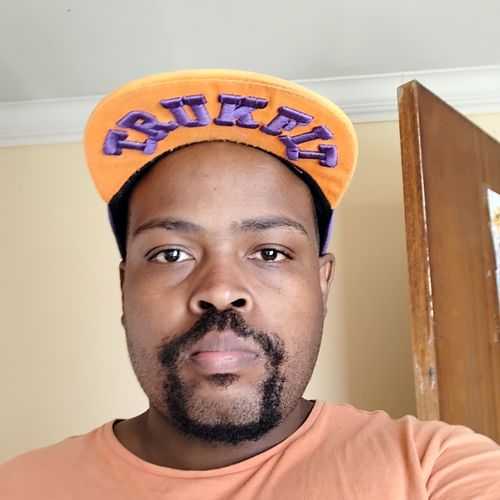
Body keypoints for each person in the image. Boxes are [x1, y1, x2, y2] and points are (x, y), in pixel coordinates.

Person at [1, 69, 499, 499]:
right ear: (124, 289)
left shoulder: (435, 469)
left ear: (322, 284)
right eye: (171, 254)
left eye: (270, 253)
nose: (220, 290)